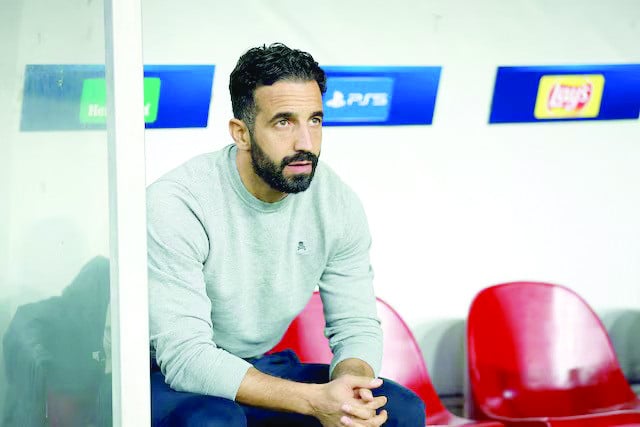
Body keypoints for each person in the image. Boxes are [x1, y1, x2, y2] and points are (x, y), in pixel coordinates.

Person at [147, 42, 426, 427]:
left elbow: (355, 325)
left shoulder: (336, 201)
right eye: (284, 122)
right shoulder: (177, 202)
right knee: (212, 421)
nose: (306, 143)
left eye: (315, 120)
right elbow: (185, 357)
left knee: (397, 410)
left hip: (257, 366)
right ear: (241, 133)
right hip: (159, 375)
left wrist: (351, 387)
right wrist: (313, 401)